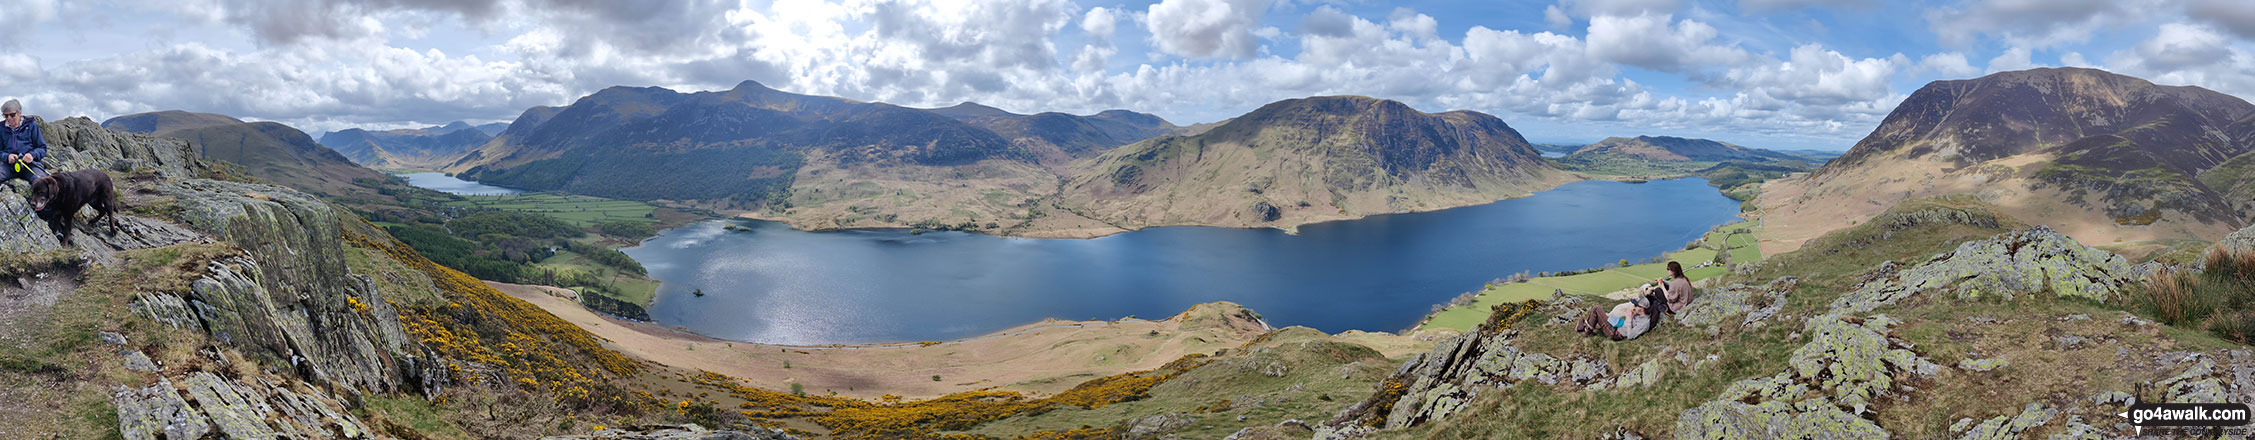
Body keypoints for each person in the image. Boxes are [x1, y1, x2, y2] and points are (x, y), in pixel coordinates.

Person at [0, 99, 47, 186]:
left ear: (19, 113)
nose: (9, 118)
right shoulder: (1, 129)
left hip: (30, 165)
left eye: (12, 115)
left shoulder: (31, 126)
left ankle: (38, 200)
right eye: (6, 116)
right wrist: (7, 157)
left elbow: (42, 148)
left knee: (41, 182)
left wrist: (32, 155)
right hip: (9, 166)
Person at [1575, 301, 1651, 340]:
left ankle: (1588, 330)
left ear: (1641, 308)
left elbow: (1630, 336)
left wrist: (1629, 320)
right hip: (1617, 325)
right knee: (1599, 318)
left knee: (1597, 309)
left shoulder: (1644, 324)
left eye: (1635, 305)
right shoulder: (1639, 314)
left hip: (1615, 333)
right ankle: (1584, 326)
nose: (1633, 306)